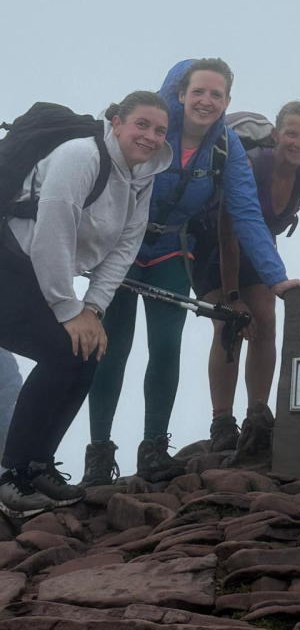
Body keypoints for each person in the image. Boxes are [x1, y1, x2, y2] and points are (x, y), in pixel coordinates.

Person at [83, 59, 300, 486]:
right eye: (199, 92)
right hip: (118, 250)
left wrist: (276, 278)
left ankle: (153, 450)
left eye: (216, 94)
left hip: (170, 250)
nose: (207, 101)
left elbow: (245, 213)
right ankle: (98, 454)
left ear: (227, 101)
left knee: (166, 347)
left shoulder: (225, 146)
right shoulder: (151, 129)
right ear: (181, 94)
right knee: (110, 347)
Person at [0, 91, 172, 518]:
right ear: (116, 123)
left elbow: (123, 249)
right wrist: (67, 307)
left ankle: (38, 466)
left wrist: (92, 310)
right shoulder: (81, 155)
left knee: (87, 350)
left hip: (33, 272)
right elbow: (52, 233)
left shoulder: (141, 177)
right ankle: (9, 476)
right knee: (61, 351)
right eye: (142, 125)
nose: (151, 137)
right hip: (9, 261)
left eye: (160, 130)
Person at [196, 100, 300, 456]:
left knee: (265, 323)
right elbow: (228, 236)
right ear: (275, 134)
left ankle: (258, 415)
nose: (299, 142)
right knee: (230, 324)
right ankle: (222, 421)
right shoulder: (251, 166)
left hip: (260, 246)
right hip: (213, 242)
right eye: (292, 134)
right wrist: (233, 295)